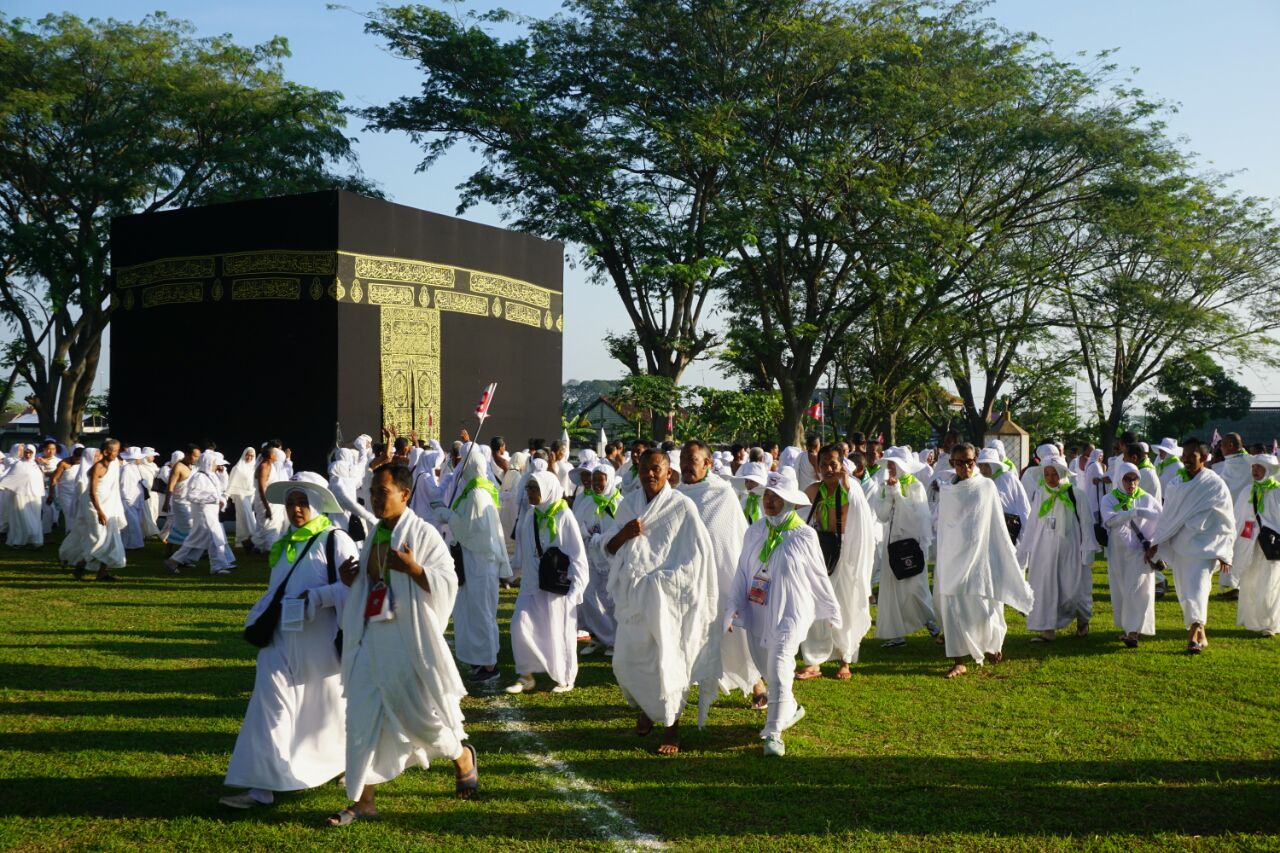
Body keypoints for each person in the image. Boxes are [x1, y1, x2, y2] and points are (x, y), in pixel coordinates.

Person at [329, 464, 476, 826]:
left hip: (407, 644)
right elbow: (371, 587)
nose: (376, 499)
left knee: (422, 721)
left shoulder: (424, 534)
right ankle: (363, 802)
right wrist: (353, 580)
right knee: (359, 720)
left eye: (384, 492)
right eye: (373, 492)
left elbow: (448, 581)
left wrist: (415, 570)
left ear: (405, 495)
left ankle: (462, 757)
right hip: (370, 642)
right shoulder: (375, 535)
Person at [220, 474, 356, 810]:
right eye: (292, 502)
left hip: (319, 646)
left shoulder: (336, 540)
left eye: (302, 502)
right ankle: (261, 787)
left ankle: (341, 762)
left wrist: (318, 597)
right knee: (268, 705)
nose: (296, 509)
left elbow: (355, 589)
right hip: (279, 641)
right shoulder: (286, 543)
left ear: (317, 504)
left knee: (327, 709)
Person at [605, 449, 719, 755]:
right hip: (634, 600)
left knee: (667, 662)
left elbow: (697, 557)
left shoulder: (682, 507)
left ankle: (671, 727)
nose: (650, 474)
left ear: (669, 473)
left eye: (657, 469)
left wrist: (661, 582)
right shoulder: (629, 504)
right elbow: (609, 546)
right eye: (645, 469)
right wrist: (625, 535)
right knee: (627, 660)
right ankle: (646, 707)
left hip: (668, 602)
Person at [724, 468, 840, 757]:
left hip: (791, 611)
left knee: (777, 666)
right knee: (768, 668)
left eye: (777, 497)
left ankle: (773, 734)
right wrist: (732, 608)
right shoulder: (755, 530)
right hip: (757, 610)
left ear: (790, 501)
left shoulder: (804, 535)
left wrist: (832, 609)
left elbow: (818, 576)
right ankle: (791, 707)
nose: (770, 501)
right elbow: (742, 573)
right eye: (767, 495)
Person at [934, 443, 1034, 678]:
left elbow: (996, 524)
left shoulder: (986, 486)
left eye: (970, 461)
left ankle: (991, 643)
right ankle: (959, 660)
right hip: (952, 556)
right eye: (960, 462)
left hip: (980, 556)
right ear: (952, 464)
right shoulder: (947, 491)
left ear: (975, 460)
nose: (966, 467)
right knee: (953, 606)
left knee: (983, 605)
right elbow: (944, 528)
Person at [677, 440, 764, 706]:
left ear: (707, 464)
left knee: (734, 629)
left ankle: (756, 683)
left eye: (691, 460)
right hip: (689, 578)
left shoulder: (722, 493)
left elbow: (733, 538)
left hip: (723, 575)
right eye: (682, 460)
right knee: (689, 631)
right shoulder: (676, 495)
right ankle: (690, 682)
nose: (685, 466)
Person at [1145, 439, 1235, 654]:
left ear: (1203, 459)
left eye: (1191, 456)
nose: (1185, 459)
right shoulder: (1176, 483)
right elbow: (1168, 517)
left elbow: (1225, 519)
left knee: (1198, 589)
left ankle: (1193, 635)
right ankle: (1200, 631)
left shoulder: (1214, 484)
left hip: (1204, 547)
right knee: (1186, 592)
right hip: (1181, 547)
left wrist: (1224, 551)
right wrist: (1156, 543)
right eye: (1183, 455)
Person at [797, 444, 876, 678]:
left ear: (842, 464)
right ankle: (814, 660)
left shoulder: (852, 489)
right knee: (815, 604)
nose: (828, 469)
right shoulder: (813, 490)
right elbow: (798, 519)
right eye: (823, 465)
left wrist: (848, 487)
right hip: (819, 554)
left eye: (833, 464)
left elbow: (862, 522)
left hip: (847, 554)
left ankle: (845, 658)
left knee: (846, 605)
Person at [506, 470, 587, 694]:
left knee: (558, 631)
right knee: (519, 625)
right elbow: (525, 549)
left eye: (535, 488)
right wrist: (517, 573)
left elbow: (577, 554)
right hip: (533, 584)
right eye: (529, 488)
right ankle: (526, 674)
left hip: (558, 586)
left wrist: (577, 586)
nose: (530, 493)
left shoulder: (564, 515)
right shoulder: (532, 515)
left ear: (548, 490)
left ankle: (565, 677)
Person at [441, 444, 511, 682]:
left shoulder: (477, 494)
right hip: (474, 562)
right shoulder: (475, 491)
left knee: (481, 613)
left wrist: (448, 516)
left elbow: (471, 530)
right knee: (475, 612)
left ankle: (490, 666)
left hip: (480, 563)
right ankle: (481, 660)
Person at [1018, 457, 1096, 642]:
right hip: (1044, 549)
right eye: (1047, 474)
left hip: (1071, 548)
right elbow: (1032, 523)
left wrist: (1088, 549)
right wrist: (1025, 550)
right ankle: (1047, 629)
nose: (1051, 478)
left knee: (1073, 589)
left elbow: (1086, 523)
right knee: (1045, 588)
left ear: (1062, 473)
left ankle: (1082, 620)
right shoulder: (1040, 494)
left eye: (1054, 473)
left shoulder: (1077, 494)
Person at [872, 447, 940, 649]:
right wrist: (890, 492)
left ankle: (929, 620)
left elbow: (917, 516)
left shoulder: (915, 486)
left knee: (915, 587)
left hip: (912, 543)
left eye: (894, 464)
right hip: (892, 543)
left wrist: (897, 494)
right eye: (889, 465)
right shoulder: (885, 486)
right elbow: (882, 515)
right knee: (892, 588)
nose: (891, 468)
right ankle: (896, 634)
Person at [1100, 462, 1161, 647]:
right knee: (1121, 589)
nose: (1131, 483)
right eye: (1127, 479)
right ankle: (1128, 628)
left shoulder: (1147, 498)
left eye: (1134, 479)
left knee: (1137, 589)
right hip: (1118, 551)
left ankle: (1133, 631)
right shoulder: (1109, 499)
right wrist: (1135, 512)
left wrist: (1154, 545)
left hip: (1141, 551)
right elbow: (1110, 520)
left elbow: (1162, 519)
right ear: (1119, 478)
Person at [573, 462, 621, 655]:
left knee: (613, 600)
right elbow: (576, 524)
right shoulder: (587, 501)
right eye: (594, 480)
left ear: (608, 480)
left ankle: (616, 640)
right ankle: (599, 635)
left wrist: (602, 538)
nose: (596, 484)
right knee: (589, 596)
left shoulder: (619, 502)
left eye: (600, 480)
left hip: (611, 559)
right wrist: (587, 534)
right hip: (591, 557)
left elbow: (621, 529)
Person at [1231, 453, 1280, 637]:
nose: (1255, 470)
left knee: (1270, 584)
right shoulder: (1247, 492)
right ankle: (1253, 621)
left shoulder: (1277, 491)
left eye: (1259, 467)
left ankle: (1270, 623)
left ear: (1268, 470)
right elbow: (1236, 518)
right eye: (1253, 467)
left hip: (1271, 547)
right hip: (1249, 545)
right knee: (1250, 583)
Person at [167, 451, 237, 575]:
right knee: (213, 538)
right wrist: (213, 499)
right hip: (203, 513)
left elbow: (217, 492)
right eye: (214, 463)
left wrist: (220, 499)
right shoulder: (198, 477)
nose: (216, 465)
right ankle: (217, 566)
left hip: (211, 512)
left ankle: (176, 560)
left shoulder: (211, 475)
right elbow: (191, 496)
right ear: (208, 463)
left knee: (198, 539)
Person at [80, 439, 128, 582]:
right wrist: (100, 511)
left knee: (111, 539)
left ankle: (102, 573)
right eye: (115, 451)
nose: (117, 454)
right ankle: (81, 564)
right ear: (106, 452)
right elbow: (92, 492)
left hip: (110, 506)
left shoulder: (114, 465)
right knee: (99, 539)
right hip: (95, 506)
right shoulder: (97, 468)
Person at [1213, 432, 1253, 598]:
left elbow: (1223, 487)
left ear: (1230, 446)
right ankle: (1238, 586)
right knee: (1242, 548)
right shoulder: (1251, 461)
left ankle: (1235, 586)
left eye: (1222, 445)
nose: (1220, 449)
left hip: (1238, 515)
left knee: (1235, 548)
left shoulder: (1237, 463)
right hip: (1248, 515)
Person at [0, 445, 44, 548]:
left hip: (34, 496)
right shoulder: (18, 465)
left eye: (30, 453)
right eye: (26, 452)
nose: (28, 455)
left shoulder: (36, 466)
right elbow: (10, 477)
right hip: (19, 496)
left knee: (34, 518)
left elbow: (38, 481)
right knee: (19, 518)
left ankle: (33, 539)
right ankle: (18, 540)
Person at [162, 446, 199, 555]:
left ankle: (168, 550)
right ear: (187, 455)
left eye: (198, 456)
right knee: (189, 526)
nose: (197, 458)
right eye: (195, 456)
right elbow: (170, 486)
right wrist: (166, 502)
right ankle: (185, 554)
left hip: (190, 502)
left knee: (177, 526)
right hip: (179, 502)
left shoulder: (194, 467)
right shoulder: (178, 467)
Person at [252, 444, 288, 552]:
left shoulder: (271, 466)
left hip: (272, 501)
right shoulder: (264, 467)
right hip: (265, 502)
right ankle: (270, 549)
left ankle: (255, 545)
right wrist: (267, 508)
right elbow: (261, 489)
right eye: (274, 453)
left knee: (269, 525)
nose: (276, 455)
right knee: (268, 525)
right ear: (270, 455)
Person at [226, 447, 259, 550]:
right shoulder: (238, 468)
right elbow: (232, 483)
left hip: (251, 495)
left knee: (248, 518)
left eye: (252, 455)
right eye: (247, 454)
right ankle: (251, 539)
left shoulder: (255, 467)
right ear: (244, 455)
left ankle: (243, 540)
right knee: (245, 516)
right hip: (240, 495)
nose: (249, 457)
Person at [118, 447, 150, 550]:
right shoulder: (126, 469)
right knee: (132, 523)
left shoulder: (135, 468)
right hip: (129, 500)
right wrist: (127, 499)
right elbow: (124, 485)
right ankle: (134, 544)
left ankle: (129, 543)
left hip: (136, 499)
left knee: (135, 523)